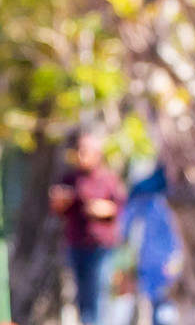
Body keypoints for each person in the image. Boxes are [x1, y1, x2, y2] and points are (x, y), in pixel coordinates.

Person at [50, 132, 128, 325]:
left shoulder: (108, 179)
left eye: (86, 151)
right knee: (82, 295)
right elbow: (57, 208)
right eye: (79, 151)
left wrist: (104, 209)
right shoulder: (70, 179)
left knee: (98, 292)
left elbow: (121, 208)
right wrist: (60, 201)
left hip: (101, 246)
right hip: (76, 244)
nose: (82, 155)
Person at [120, 166, 178, 325]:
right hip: (165, 261)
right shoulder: (172, 197)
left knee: (159, 305)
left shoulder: (144, 193)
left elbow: (124, 225)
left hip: (153, 260)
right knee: (163, 307)